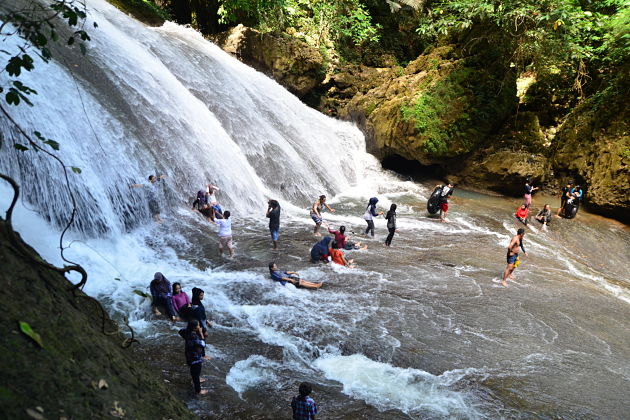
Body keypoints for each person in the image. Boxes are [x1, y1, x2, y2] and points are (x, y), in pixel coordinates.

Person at [178, 320, 209, 395]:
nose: (199, 326)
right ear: (195, 328)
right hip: (195, 358)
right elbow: (203, 344)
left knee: (193, 370)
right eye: (198, 325)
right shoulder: (194, 336)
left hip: (189, 356)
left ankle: (196, 379)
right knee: (196, 372)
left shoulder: (186, 332)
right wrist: (201, 334)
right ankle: (198, 390)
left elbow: (180, 331)